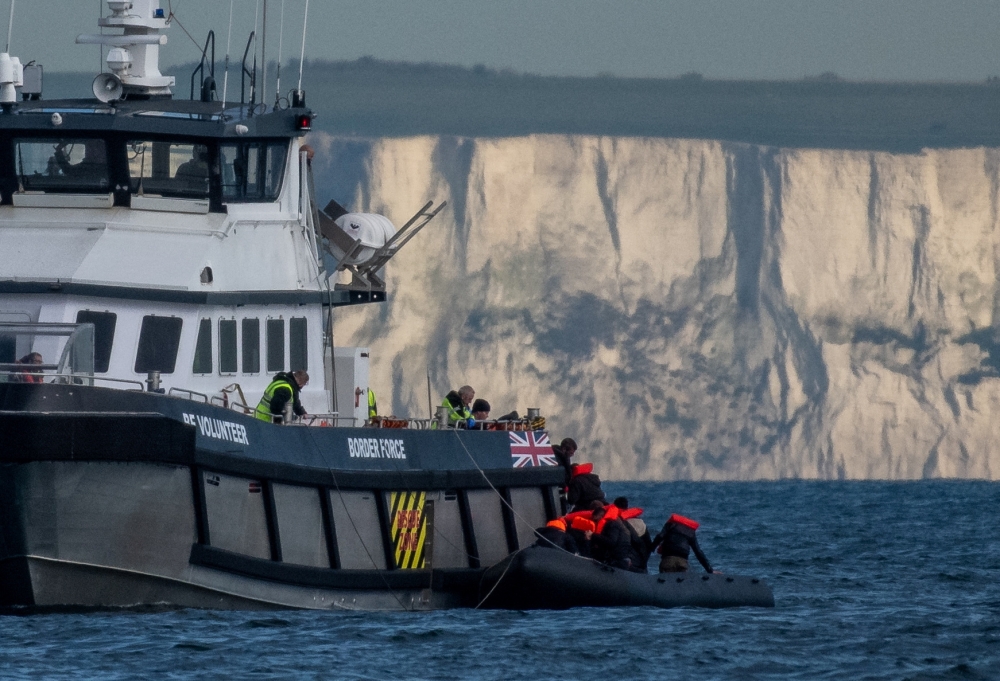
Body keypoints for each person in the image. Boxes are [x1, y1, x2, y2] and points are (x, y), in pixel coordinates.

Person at [650, 513, 719, 574]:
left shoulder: (670, 525)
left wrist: (651, 548)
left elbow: (660, 536)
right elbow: (698, 552)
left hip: (668, 561)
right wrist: (710, 570)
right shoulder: (691, 532)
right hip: (682, 563)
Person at [613, 496, 653, 572]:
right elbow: (648, 544)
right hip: (641, 560)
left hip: (627, 561)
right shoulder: (640, 522)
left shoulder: (617, 522)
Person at [588, 505, 634, 570]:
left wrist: (593, 535)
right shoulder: (615, 523)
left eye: (595, 520)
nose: (595, 523)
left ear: (600, 517)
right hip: (620, 557)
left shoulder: (612, 524)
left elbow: (611, 542)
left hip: (619, 559)